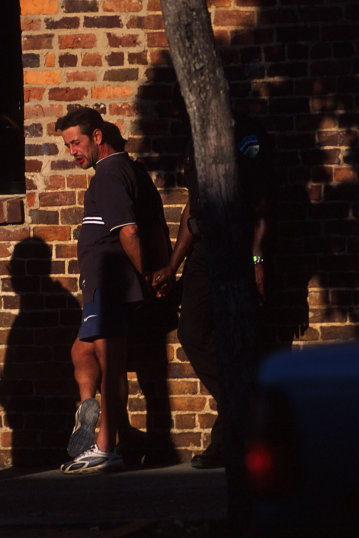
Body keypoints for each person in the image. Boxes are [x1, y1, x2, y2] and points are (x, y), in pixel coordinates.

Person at [151, 117, 272, 469]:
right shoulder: (194, 141)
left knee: (239, 338)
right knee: (191, 331)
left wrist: (257, 258)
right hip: (203, 249)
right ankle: (243, 410)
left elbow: (262, 204)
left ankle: (229, 436)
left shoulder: (246, 135)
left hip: (238, 245)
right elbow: (193, 206)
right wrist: (173, 266)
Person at [55, 108, 170, 473]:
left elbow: (130, 231)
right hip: (104, 285)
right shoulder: (129, 171)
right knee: (82, 350)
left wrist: (146, 275)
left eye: (76, 142)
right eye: (67, 144)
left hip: (113, 282)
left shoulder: (108, 174)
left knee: (112, 363)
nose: (72, 151)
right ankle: (98, 417)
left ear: (98, 137)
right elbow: (154, 226)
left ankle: (106, 447)